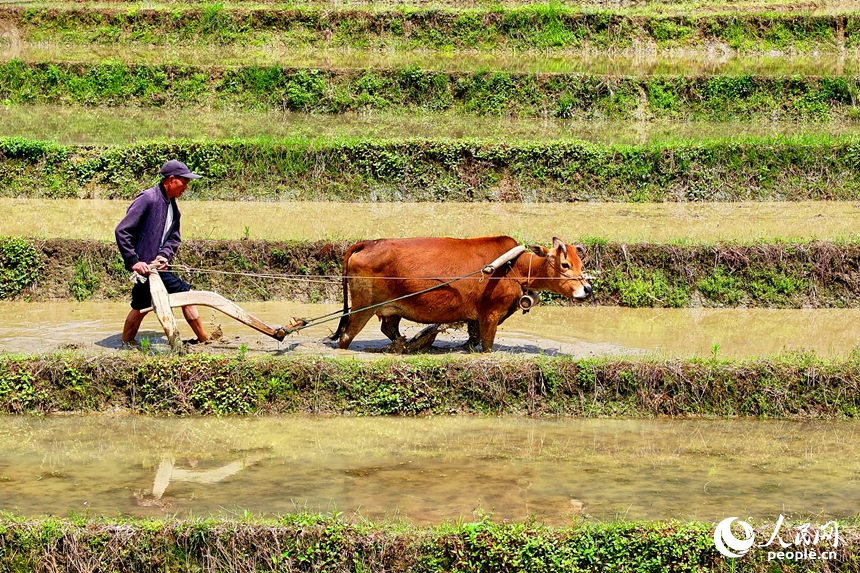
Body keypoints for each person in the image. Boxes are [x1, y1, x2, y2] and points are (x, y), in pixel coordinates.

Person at [115, 159, 209, 347]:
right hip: (146, 268)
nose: (186, 187)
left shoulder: (172, 206)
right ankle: (204, 341)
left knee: (140, 307)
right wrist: (134, 261)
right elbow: (122, 230)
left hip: (155, 266)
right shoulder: (148, 198)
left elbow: (173, 238)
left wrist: (164, 255)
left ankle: (125, 344)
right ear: (171, 180)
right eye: (185, 181)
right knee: (187, 295)